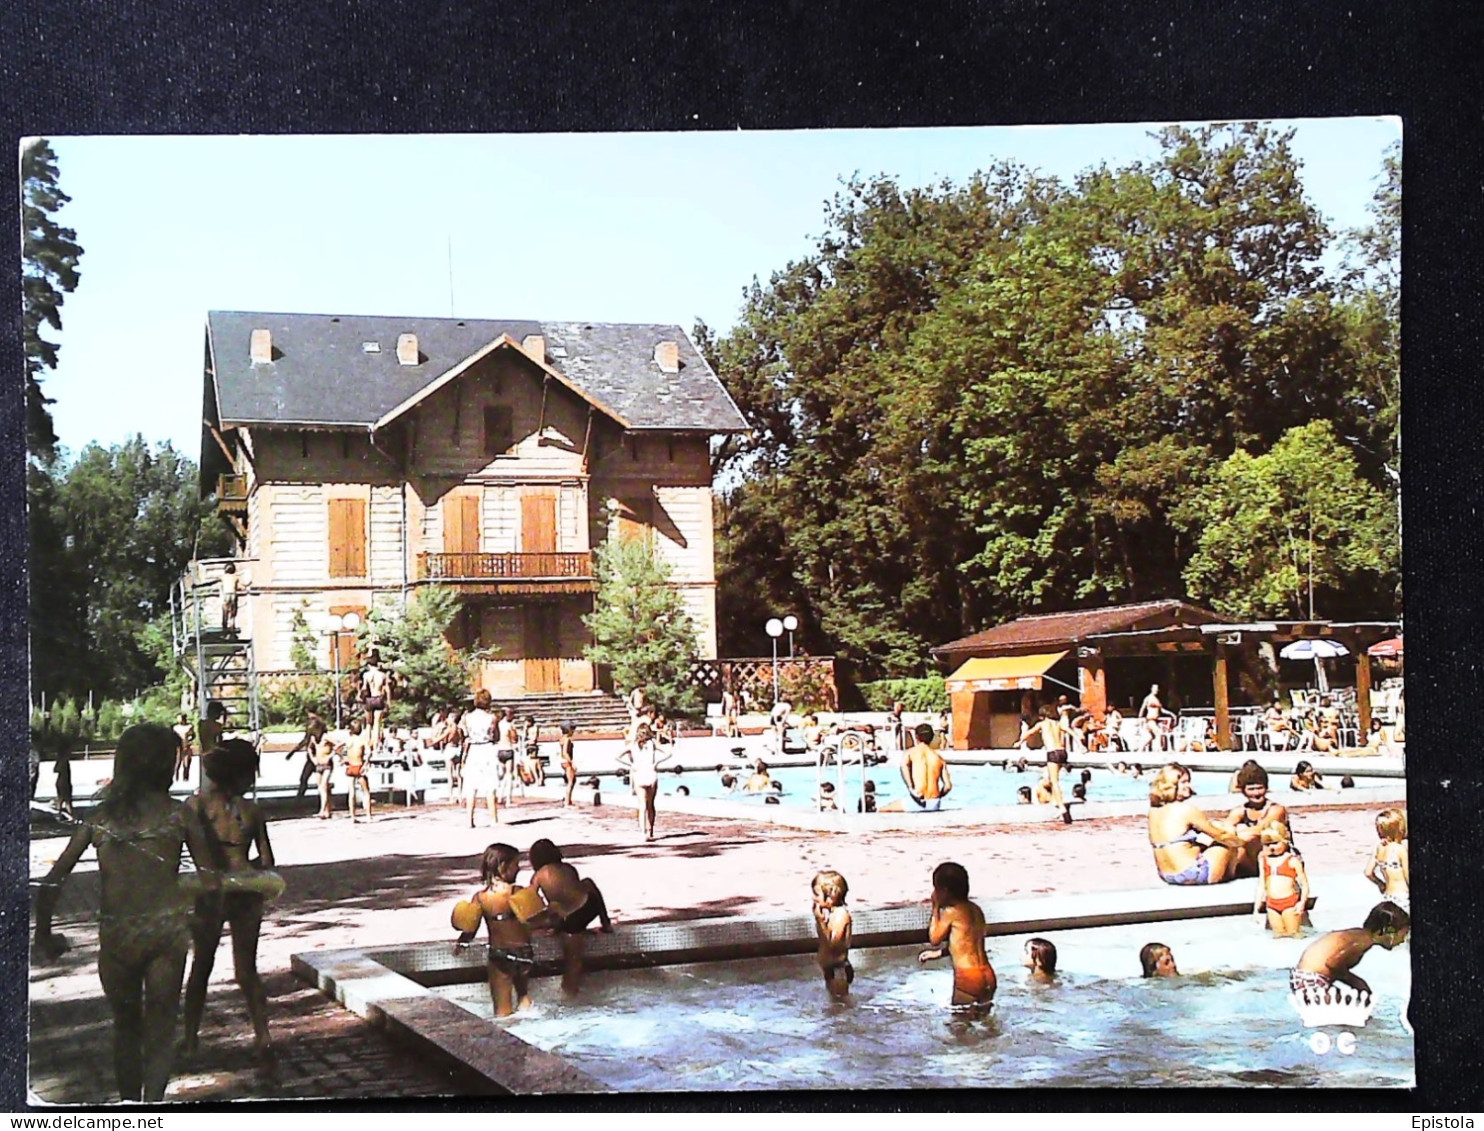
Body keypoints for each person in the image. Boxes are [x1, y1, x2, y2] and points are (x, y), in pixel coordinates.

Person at [32, 724, 219, 1102]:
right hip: (166, 932)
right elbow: (211, 880)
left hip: (117, 936)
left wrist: (44, 934)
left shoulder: (100, 819)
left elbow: (53, 880)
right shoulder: (180, 815)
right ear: (167, 766)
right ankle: (153, 1105)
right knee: (162, 1027)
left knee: (126, 1027)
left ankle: (130, 1108)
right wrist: (203, 918)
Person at [179, 739, 282, 1067]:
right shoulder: (252, 810)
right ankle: (263, 1035)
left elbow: (190, 853)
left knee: (201, 966)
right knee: (246, 969)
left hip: (211, 893)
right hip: (247, 892)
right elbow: (267, 859)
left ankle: (191, 1039)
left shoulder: (195, 807)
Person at [452, 843, 535, 1018]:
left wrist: (463, 941)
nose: (519, 869)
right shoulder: (517, 892)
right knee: (524, 998)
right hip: (523, 954)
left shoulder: (481, 898)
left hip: (500, 955)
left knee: (502, 1010)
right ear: (503, 866)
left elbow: (470, 926)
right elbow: (535, 919)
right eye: (516, 864)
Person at [526, 839, 613, 995]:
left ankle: (570, 994)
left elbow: (530, 900)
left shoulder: (538, 876)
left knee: (572, 962)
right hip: (590, 906)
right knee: (587, 883)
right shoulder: (569, 868)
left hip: (571, 918)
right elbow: (571, 894)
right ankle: (606, 922)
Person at [1290, 902, 1409, 1001]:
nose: (1403, 940)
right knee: (1345, 1013)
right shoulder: (1363, 941)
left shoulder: (1359, 935)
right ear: (1387, 931)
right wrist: (1356, 982)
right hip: (1311, 979)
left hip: (1303, 977)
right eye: (1403, 935)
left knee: (1349, 1005)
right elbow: (1332, 962)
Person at [1147, 764, 1242, 885]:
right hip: (1192, 874)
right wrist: (1243, 843)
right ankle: (1230, 876)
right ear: (1171, 785)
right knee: (1229, 832)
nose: (1189, 786)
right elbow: (1222, 836)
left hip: (1167, 875)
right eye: (1184, 782)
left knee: (1217, 827)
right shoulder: (1186, 810)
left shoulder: (1153, 811)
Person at [917, 862, 995, 1009]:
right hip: (987, 974)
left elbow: (934, 938)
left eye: (936, 889)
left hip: (968, 977)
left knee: (959, 1027)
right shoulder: (976, 910)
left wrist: (935, 908)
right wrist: (938, 954)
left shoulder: (951, 912)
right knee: (984, 1025)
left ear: (945, 891)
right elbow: (966, 943)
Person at [1224, 760, 1292, 878]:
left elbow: (1260, 829)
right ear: (1243, 791)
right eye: (1251, 789)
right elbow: (1225, 829)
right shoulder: (1239, 811)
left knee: (1247, 837)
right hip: (1251, 861)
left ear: (1266, 788)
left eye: (1259, 788)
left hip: (1275, 858)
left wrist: (1234, 836)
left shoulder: (1276, 810)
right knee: (1232, 844)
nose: (1256, 793)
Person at [1253, 822, 1310, 937]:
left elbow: (1304, 885)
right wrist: (1256, 909)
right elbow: (1261, 884)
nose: (1271, 847)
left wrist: (1301, 903)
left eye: (1275, 843)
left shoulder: (1292, 860)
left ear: (1284, 841)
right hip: (1271, 904)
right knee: (1278, 935)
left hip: (1289, 903)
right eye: (1267, 844)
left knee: (1293, 933)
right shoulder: (1263, 859)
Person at [617, 722, 671, 840]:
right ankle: (650, 830)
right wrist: (657, 762)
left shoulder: (633, 745)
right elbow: (669, 753)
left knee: (642, 806)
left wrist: (631, 764)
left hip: (639, 773)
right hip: (651, 773)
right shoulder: (653, 743)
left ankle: (643, 832)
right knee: (651, 804)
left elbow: (617, 756)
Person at [1021, 705, 1072, 824]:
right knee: (1052, 778)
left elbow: (1029, 733)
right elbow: (1069, 730)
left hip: (1052, 752)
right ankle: (1056, 800)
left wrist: (1020, 741)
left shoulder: (1042, 724)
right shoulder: (1058, 723)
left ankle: (1061, 807)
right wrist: (1080, 743)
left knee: (1054, 782)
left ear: (1041, 716)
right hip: (1062, 752)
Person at [811, 870, 853, 999]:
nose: (813, 898)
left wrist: (820, 921)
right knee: (834, 1006)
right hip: (831, 969)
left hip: (838, 970)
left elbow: (831, 944)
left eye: (816, 894)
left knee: (841, 1006)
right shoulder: (832, 914)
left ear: (831, 896)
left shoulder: (841, 916)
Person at [462, 690, 500, 827]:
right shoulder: (491, 718)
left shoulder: (467, 717)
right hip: (487, 748)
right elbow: (496, 736)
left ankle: (469, 820)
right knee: (490, 785)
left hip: (474, 748)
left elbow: (465, 735)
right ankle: (493, 819)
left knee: (471, 786)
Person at [1363, 808, 1409, 911]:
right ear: (1400, 829)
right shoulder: (1400, 849)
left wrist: (1380, 884)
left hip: (1388, 897)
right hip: (1403, 897)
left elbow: (1368, 872)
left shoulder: (1378, 848)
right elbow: (1408, 877)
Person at [901, 723, 953, 811]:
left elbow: (903, 766)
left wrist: (911, 788)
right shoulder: (939, 758)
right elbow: (948, 786)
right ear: (932, 738)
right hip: (935, 803)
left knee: (882, 810)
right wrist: (939, 796)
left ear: (916, 737)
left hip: (917, 799)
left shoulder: (910, 753)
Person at [285, 710, 328, 801]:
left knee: (305, 778)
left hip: (315, 757)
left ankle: (300, 798)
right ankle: (303, 798)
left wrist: (292, 752)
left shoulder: (315, 726)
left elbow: (305, 741)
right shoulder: (319, 726)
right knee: (314, 780)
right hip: (317, 757)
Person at [342, 717, 373, 823]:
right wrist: (366, 763)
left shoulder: (348, 740)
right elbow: (369, 753)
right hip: (359, 765)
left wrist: (343, 758)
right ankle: (368, 815)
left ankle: (352, 816)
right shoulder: (362, 740)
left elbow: (337, 747)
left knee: (351, 792)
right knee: (366, 792)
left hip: (351, 766)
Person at [360, 654, 392, 750]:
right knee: (377, 723)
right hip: (378, 698)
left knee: (369, 723)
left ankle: (367, 745)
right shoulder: (382, 675)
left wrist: (361, 697)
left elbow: (364, 688)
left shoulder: (366, 675)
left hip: (369, 699)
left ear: (369, 665)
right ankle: (375, 745)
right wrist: (389, 701)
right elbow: (387, 689)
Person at [496, 707, 522, 804]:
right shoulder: (509, 725)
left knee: (502, 775)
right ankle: (508, 800)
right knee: (509, 775)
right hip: (508, 749)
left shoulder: (498, 724)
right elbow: (514, 739)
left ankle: (499, 796)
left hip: (499, 750)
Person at [218, 562, 244, 634]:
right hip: (233, 594)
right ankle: (232, 624)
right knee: (233, 610)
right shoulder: (236, 577)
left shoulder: (223, 577)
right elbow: (240, 586)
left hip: (225, 595)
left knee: (225, 610)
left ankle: (225, 625)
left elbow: (220, 585)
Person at [519, 715, 545, 787]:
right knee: (530, 764)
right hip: (528, 746)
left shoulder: (534, 728)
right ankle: (535, 778)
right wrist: (525, 729)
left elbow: (534, 738)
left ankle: (538, 779)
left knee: (534, 764)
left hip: (532, 746)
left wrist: (528, 742)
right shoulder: (528, 729)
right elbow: (524, 737)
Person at [558, 720, 578, 807]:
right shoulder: (567, 739)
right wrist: (572, 762)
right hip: (567, 761)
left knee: (572, 781)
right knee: (570, 782)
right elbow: (565, 752)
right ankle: (567, 801)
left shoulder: (561, 739)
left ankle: (569, 800)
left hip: (563, 761)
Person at [1139, 685, 1163, 752]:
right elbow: (1143, 708)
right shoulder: (1148, 698)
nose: (1156, 690)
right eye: (1155, 689)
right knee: (1158, 732)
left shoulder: (1157, 700)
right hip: (1150, 720)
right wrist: (1140, 717)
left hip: (1155, 720)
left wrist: (1171, 714)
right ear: (1151, 689)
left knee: (1150, 737)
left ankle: (1140, 749)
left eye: (1157, 689)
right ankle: (1159, 749)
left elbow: (1161, 710)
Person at [172, 714, 196, 782]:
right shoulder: (175, 727)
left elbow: (193, 735)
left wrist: (190, 740)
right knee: (177, 762)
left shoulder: (189, 726)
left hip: (186, 746)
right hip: (178, 746)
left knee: (187, 762)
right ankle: (176, 776)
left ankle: (185, 777)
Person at [53, 745, 75, 820]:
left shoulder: (61, 761)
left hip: (60, 782)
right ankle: (70, 816)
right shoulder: (64, 761)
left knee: (61, 799)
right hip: (64, 782)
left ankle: (59, 815)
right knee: (67, 800)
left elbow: (55, 770)